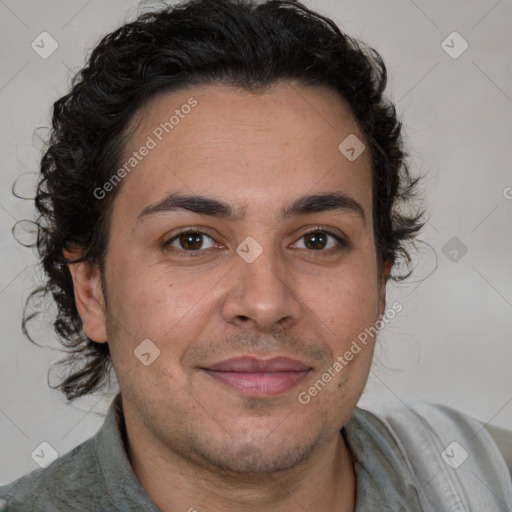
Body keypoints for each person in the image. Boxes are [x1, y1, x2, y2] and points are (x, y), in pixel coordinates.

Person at [1, 0, 510, 510]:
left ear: (380, 283)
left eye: (317, 239)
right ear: (91, 292)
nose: (265, 303)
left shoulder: (487, 482)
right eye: (191, 241)